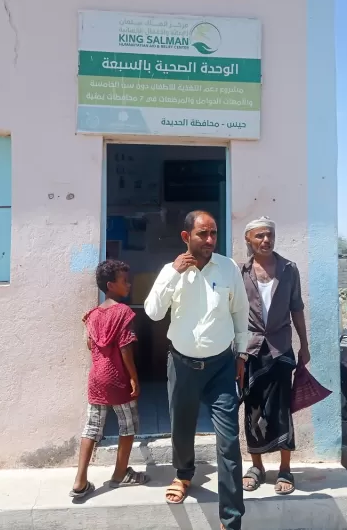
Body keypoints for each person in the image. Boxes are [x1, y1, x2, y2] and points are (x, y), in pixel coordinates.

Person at [144, 210, 248, 530]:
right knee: (181, 427)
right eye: (203, 234)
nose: (210, 240)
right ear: (186, 237)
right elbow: (153, 312)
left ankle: (231, 519)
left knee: (228, 441)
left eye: (213, 233)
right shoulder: (171, 271)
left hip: (221, 367)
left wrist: (242, 355)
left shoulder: (228, 268)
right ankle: (184, 474)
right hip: (182, 365)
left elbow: (240, 312)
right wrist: (174, 274)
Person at [239, 217, 310, 496]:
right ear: (249, 239)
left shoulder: (289, 269)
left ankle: (285, 468)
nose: (266, 240)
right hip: (251, 349)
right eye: (259, 236)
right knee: (252, 407)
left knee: (281, 408)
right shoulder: (240, 271)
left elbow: (297, 307)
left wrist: (304, 344)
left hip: (280, 348)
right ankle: (256, 467)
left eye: (269, 235)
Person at [71, 260, 149, 501]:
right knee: (128, 425)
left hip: (96, 378)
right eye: (124, 280)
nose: (129, 284)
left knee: (92, 427)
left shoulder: (92, 315)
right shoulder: (124, 312)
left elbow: (90, 344)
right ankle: (120, 473)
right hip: (117, 378)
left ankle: (80, 481)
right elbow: (125, 348)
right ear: (110, 285)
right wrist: (134, 377)